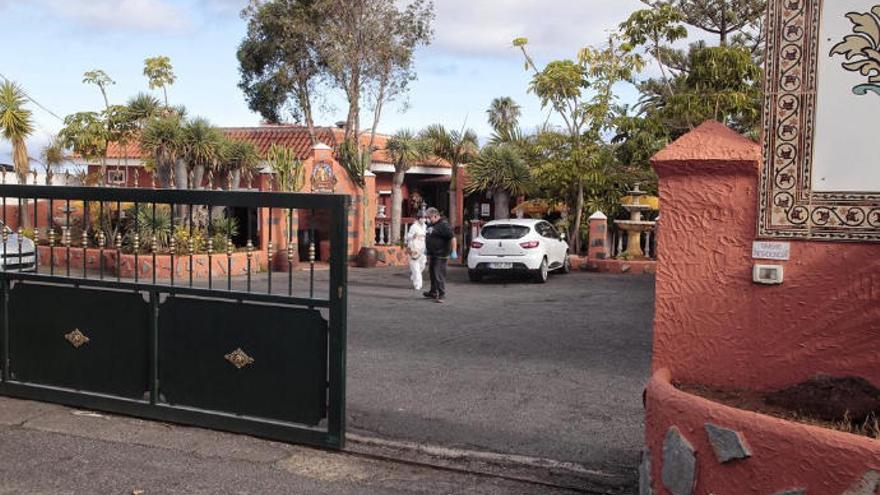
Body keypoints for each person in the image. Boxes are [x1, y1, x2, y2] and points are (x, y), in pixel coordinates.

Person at [424, 207, 457, 303]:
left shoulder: (444, 225)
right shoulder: (431, 224)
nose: (428, 219)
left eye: (429, 217)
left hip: (441, 254)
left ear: (435, 215)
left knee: (438, 274)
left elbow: (452, 238)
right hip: (432, 253)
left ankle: (441, 294)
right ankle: (433, 292)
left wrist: (454, 251)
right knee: (432, 274)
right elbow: (429, 236)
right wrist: (427, 248)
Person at [404, 213, 427, 291]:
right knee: (415, 268)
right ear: (419, 218)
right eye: (422, 217)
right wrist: (412, 237)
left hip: (422, 248)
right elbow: (408, 236)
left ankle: (414, 276)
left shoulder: (425, 226)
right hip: (414, 248)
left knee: (422, 265)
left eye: (425, 217)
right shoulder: (413, 227)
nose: (424, 219)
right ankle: (417, 284)